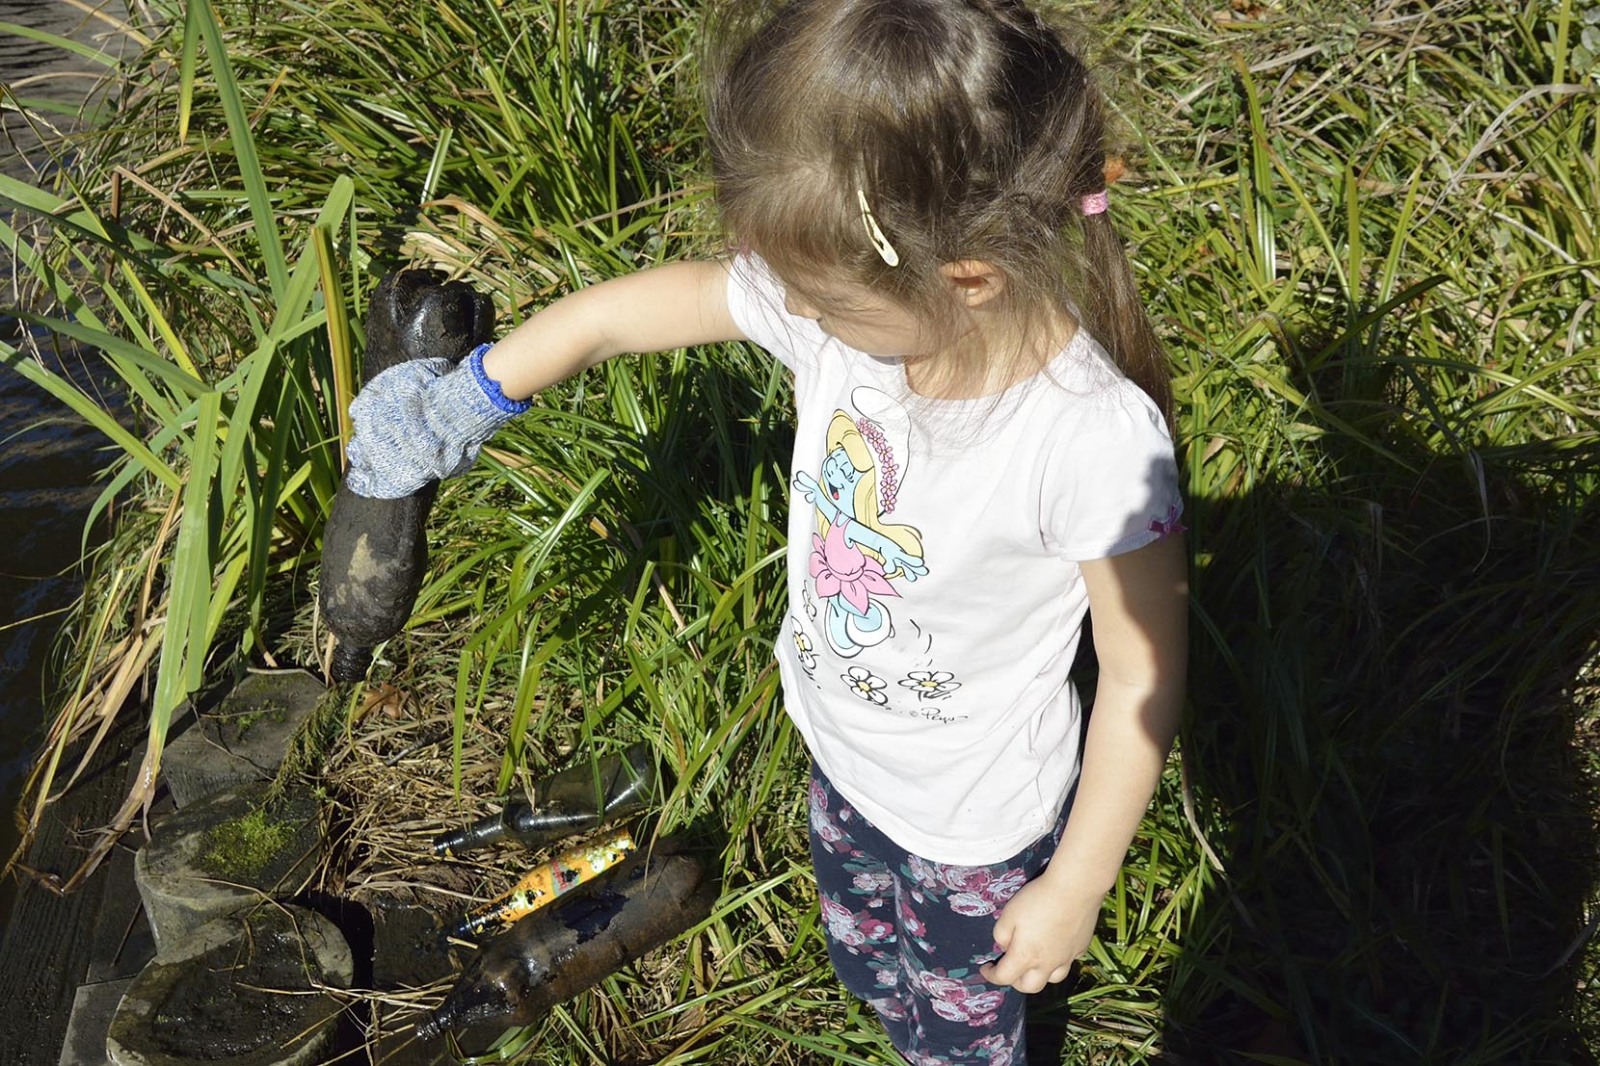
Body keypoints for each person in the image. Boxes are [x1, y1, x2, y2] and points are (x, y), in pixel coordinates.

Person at [344, 0, 1188, 1062]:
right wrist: (476, 391)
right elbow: (624, 314)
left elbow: (1141, 673)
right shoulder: (864, 307)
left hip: (972, 825)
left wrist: (1077, 882)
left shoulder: (1087, 441)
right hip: (841, 752)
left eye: (819, 300)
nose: (794, 313)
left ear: (968, 279)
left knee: (960, 1030)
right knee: (869, 961)